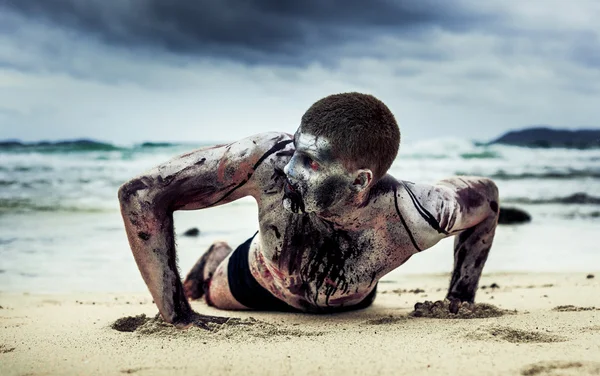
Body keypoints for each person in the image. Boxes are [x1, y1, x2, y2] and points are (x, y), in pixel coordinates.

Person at [118, 92, 499, 328]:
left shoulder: (418, 212)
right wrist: (177, 315)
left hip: (350, 303)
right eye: (296, 151)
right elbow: (140, 194)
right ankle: (218, 255)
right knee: (209, 289)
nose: (291, 168)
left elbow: (487, 198)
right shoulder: (268, 161)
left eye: (312, 162)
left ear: (361, 181)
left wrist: (459, 300)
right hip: (255, 281)